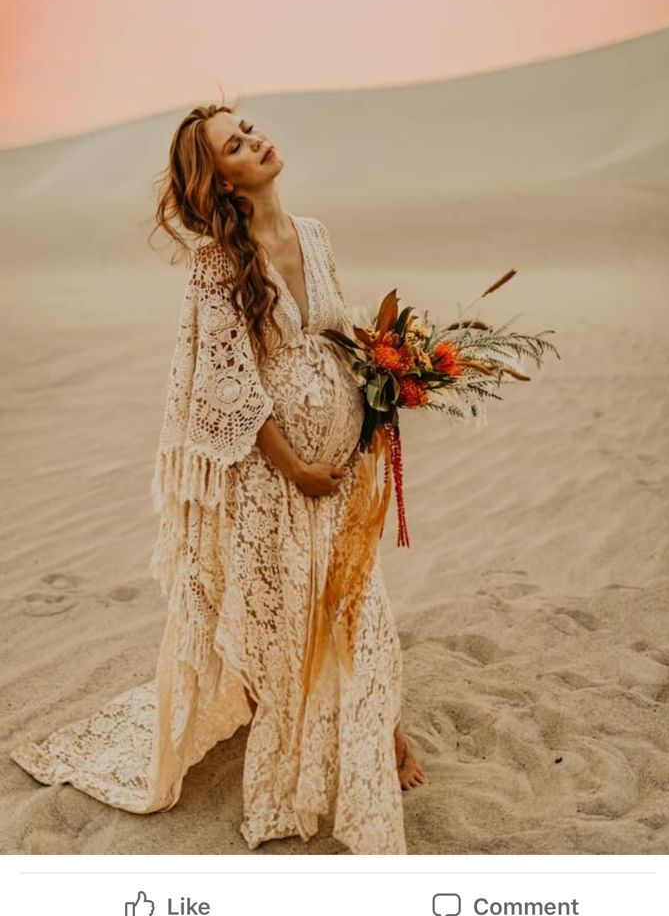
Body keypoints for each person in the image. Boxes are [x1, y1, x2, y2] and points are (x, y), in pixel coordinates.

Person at [11, 101, 427, 854]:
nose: (256, 142)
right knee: (293, 619)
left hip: (344, 462)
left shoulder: (315, 234)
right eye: (235, 145)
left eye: (251, 129)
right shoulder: (217, 265)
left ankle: (378, 732)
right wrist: (295, 467)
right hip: (274, 482)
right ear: (220, 178)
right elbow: (225, 389)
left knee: (358, 602)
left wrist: (391, 377)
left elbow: (337, 331)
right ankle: (344, 739)